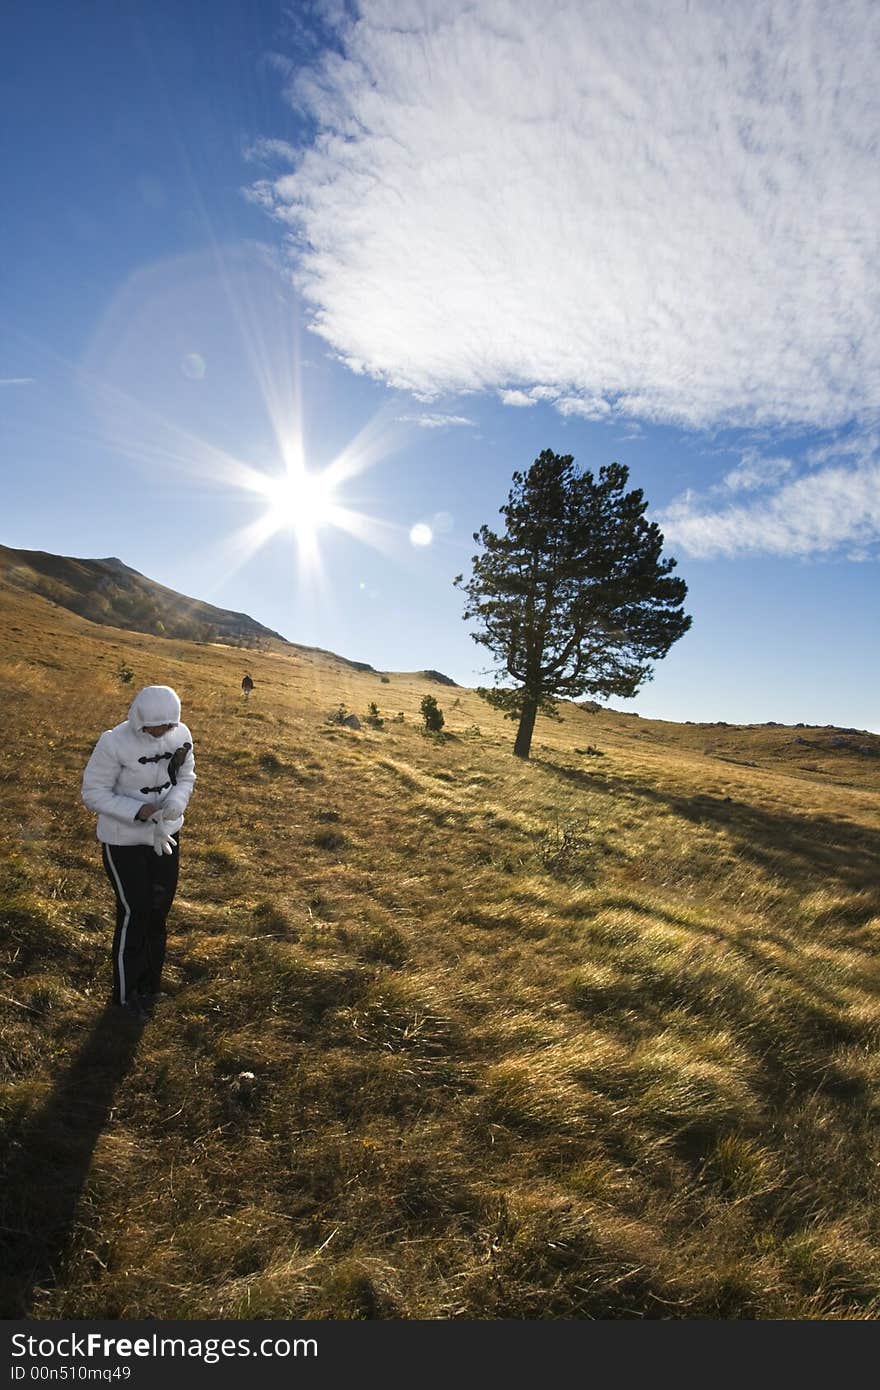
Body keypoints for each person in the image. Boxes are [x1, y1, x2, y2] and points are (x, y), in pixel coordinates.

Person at [81, 684, 196, 1016]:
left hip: (165, 837)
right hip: (123, 842)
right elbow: (93, 792)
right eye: (155, 726)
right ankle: (125, 994)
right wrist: (139, 810)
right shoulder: (113, 742)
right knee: (136, 912)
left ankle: (149, 987)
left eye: (168, 725)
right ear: (139, 719)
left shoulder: (181, 734)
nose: (162, 732)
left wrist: (175, 803)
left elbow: (186, 775)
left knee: (158, 912)